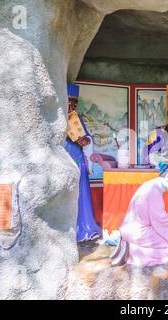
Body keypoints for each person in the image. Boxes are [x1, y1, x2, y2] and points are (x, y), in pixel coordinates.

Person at [111, 163, 168, 267]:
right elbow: (159, 218)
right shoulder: (154, 189)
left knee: (163, 241)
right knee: (167, 248)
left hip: (130, 229)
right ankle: (132, 250)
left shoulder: (152, 185)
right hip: (138, 232)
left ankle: (130, 247)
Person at [65, 83, 102, 242]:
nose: (72, 105)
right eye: (69, 101)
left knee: (82, 195)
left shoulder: (75, 119)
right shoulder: (59, 118)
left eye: (75, 102)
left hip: (79, 160)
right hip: (65, 160)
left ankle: (86, 227)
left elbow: (88, 138)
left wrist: (86, 140)